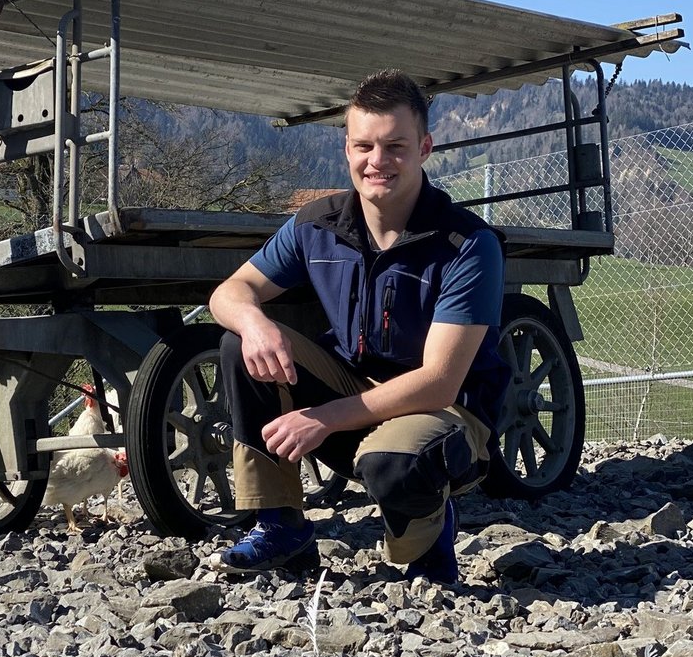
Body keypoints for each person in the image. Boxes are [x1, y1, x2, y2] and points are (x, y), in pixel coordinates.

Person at [207, 69, 509, 583]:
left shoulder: (467, 245)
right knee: (240, 344)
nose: (378, 161)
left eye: (395, 145)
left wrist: (323, 417)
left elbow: (439, 380)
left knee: (394, 459)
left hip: (446, 413)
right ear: (346, 148)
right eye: (364, 146)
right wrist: (256, 323)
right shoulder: (316, 225)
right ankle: (280, 525)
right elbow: (229, 293)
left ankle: (428, 544)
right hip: (355, 389)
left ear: (425, 147)